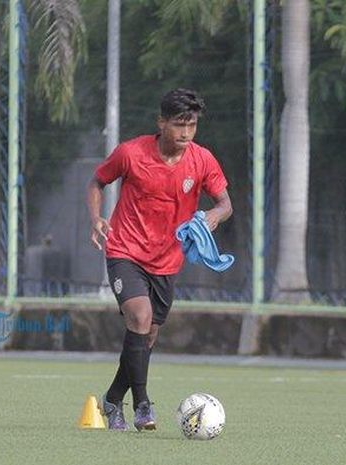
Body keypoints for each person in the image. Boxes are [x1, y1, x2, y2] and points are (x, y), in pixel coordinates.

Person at [86, 88, 233, 430]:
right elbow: (97, 182)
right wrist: (96, 219)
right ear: (161, 122)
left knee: (146, 337)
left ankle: (111, 400)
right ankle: (142, 405)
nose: (185, 133)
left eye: (192, 125)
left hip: (167, 260)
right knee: (140, 315)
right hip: (125, 250)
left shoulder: (202, 160)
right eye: (179, 124)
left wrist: (214, 216)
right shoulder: (130, 153)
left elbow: (226, 204)